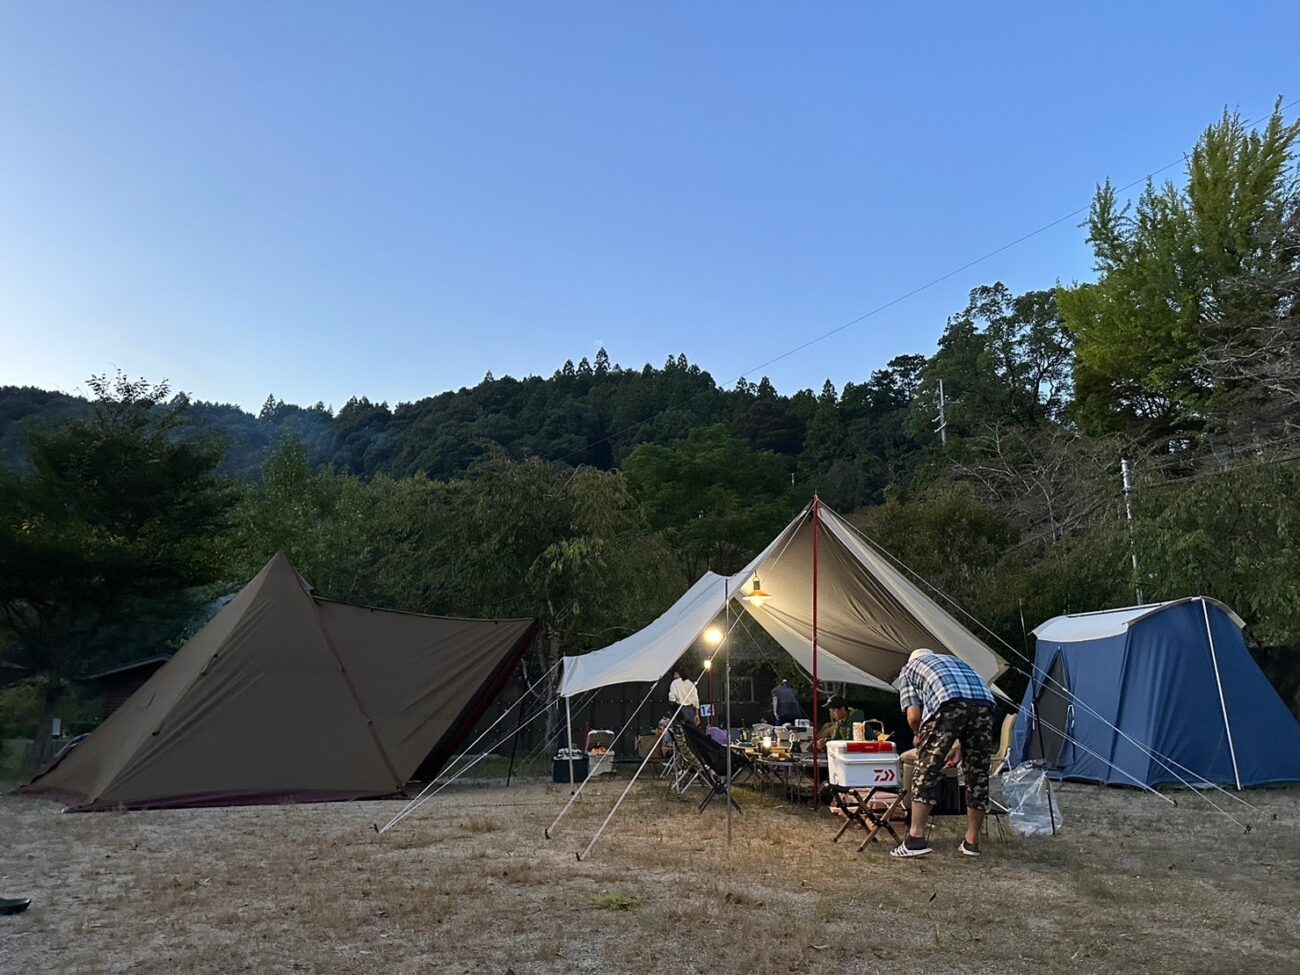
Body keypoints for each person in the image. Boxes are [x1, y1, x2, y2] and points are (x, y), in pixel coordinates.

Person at [890, 648, 996, 859]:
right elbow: (967, 705)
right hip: (985, 704)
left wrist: (919, 735)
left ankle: (915, 839)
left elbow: (914, 716)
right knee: (977, 774)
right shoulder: (954, 661)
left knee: (926, 768)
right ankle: (972, 841)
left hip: (948, 702)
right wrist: (956, 743)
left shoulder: (909, 669)